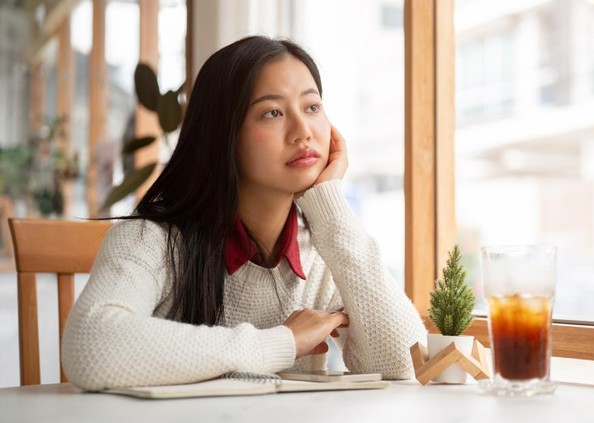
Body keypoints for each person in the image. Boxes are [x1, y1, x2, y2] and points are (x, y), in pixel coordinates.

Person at [61, 36, 427, 390]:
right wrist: (282, 343)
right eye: (272, 112)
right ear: (223, 133)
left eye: (312, 107)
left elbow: (407, 365)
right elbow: (92, 345)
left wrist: (330, 206)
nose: (303, 132)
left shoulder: (326, 249)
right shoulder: (151, 241)